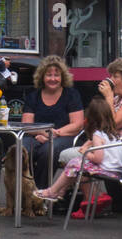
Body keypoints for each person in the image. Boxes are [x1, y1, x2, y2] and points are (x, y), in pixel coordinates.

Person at [35, 97, 122, 206]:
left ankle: (52, 191)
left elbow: (98, 158)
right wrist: (87, 145)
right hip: (116, 169)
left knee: (74, 163)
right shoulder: (113, 133)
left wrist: (85, 152)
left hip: (106, 170)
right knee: (76, 167)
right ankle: (60, 192)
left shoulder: (97, 135)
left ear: (90, 118)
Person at [21, 56, 84, 188]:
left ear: (63, 77)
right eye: (49, 75)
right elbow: (26, 125)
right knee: (22, 150)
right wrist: (42, 133)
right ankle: (24, 191)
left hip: (65, 136)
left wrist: (54, 134)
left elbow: (77, 124)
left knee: (48, 150)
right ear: (42, 77)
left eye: (57, 75)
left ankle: (40, 193)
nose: (53, 79)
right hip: (36, 135)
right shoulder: (33, 96)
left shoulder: (71, 94)